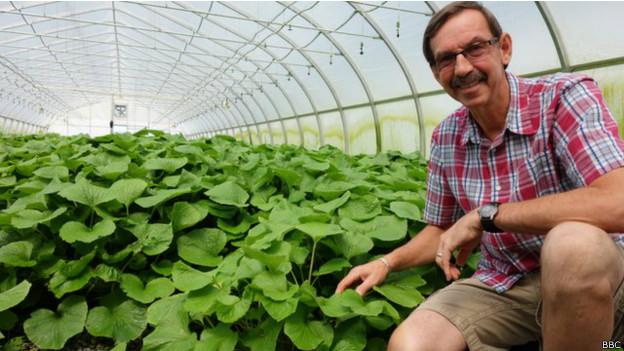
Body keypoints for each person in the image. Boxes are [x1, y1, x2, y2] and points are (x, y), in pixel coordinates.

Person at [335, 2, 624, 350]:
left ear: (503, 49)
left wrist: (488, 216)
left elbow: (617, 202)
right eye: (446, 59)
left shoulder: (563, 98)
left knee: (572, 246)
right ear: (435, 72)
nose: (462, 67)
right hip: (506, 282)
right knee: (412, 342)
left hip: (602, 277)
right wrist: (386, 261)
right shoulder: (447, 136)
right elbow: (440, 229)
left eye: (475, 48)